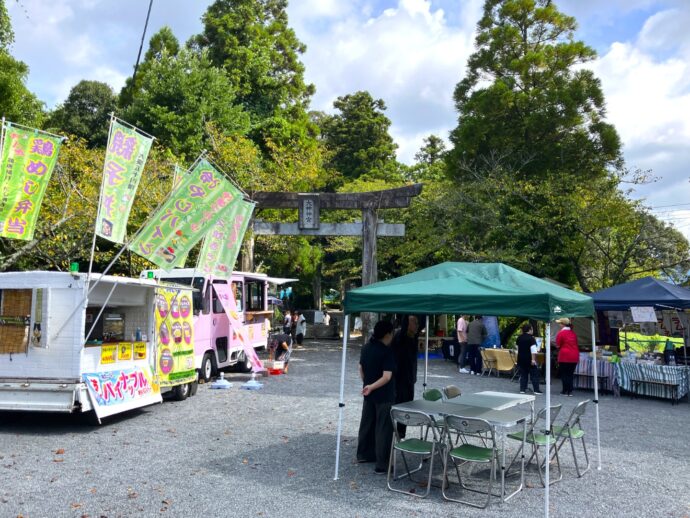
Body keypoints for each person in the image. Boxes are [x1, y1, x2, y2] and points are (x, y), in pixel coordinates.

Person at [356, 320, 396, 474]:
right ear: (387, 334)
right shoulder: (387, 352)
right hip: (384, 395)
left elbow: (361, 368)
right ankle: (382, 464)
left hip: (369, 393)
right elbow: (387, 377)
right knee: (383, 429)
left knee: (367, 424)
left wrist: (367, 384)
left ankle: (364, 454)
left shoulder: (366, 348)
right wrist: (372, 386)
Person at [392, 315, 419, 438]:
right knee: (400, 406)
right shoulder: (400, 336)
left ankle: (401, 432)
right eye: (415, 323)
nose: (417, 326)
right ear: (407, 324)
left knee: (407, 406)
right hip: (400, 379)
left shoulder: (413, 337)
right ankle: (397, 432)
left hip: (409, 379)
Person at [555, 317, 579, 396]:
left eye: (560, 323)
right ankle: (570, 391)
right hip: (574, 355)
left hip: (565, 356)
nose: (559, 325)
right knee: (570, 374)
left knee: (564, 374)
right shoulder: (573, 333)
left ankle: (565, 391)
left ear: (563, 324)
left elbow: (558, 345)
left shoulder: (561, 333)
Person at [516, 323, 542, 394]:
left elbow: (517, 349)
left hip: (521, 359)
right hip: (529, 359)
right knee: (534, 375)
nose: (532, 330)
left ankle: (522, 389)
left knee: (523, 375)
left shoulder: (519, 338)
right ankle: (536, 390)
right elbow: (533, 351)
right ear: (529, 330)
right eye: (532, 329)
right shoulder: (531, 338)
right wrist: (533, 360)